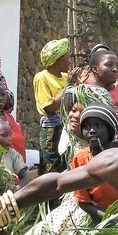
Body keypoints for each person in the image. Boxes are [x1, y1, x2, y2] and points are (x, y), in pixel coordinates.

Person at [12, 85, 114, 235]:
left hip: (112, 216)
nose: (73, 116)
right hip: (82, 208)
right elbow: (77, 194)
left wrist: (112, 220)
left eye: (79, 111)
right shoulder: (79, 152)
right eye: (72, 112)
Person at [32, 38, 73, 174]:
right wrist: (69, 86)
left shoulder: (67, 77)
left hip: (67, 126)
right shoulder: (42, 77)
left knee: (65, 163)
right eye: (67, 58)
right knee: (51, 165)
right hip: (52, 129)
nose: (70, 61)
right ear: (58, 60)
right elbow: (49, 108)